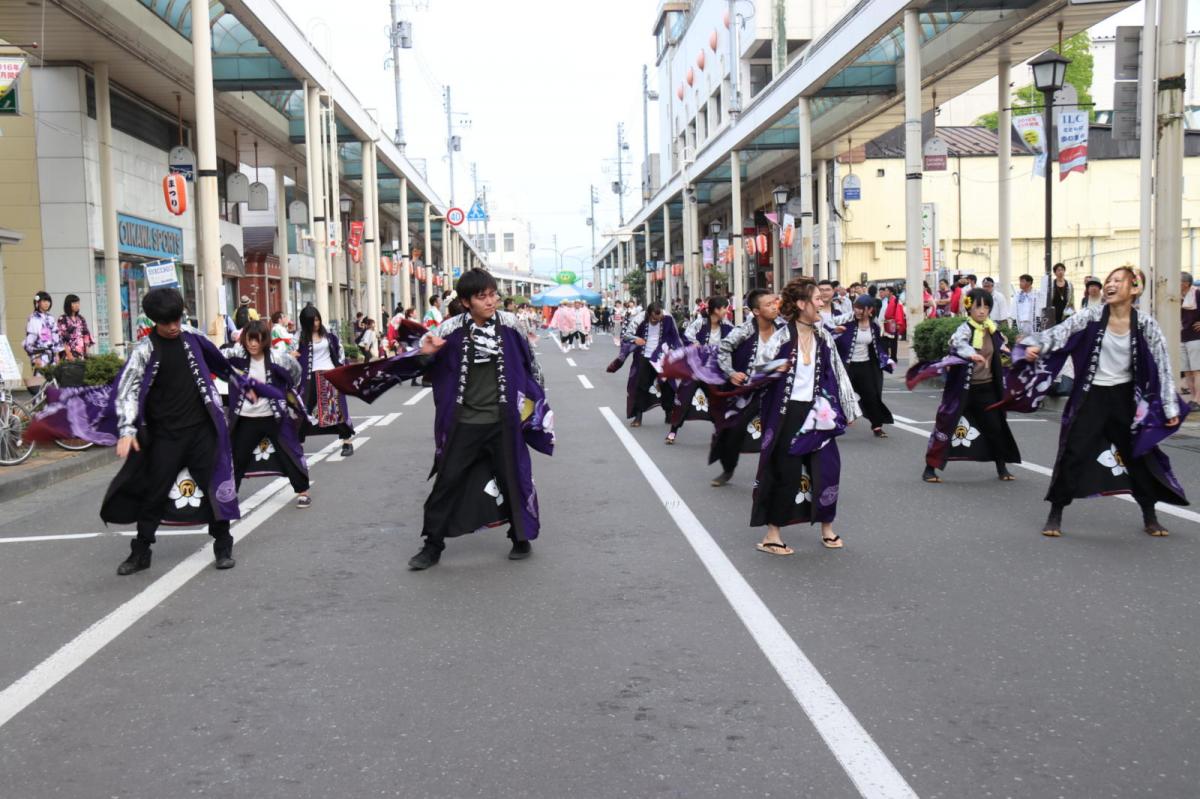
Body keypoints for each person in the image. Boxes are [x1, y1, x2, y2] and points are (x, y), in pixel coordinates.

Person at [323, 268, 554, 570]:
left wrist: (536, 410)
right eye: (482, 296)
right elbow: (417, 365)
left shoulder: (510, 326)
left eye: (493, 294)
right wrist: (424, 353)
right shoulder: (450, 330)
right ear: (467, 301)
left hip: (503, 422)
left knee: (513, 479)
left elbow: (531, 366)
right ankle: (432, 545)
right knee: (447, 483)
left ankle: (520, 537)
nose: (490, 301)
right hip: (464, 423)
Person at [1014, 266, 1187, 537]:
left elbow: (1163, 365)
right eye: (1109, 280)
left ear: (1134, 289)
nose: (1110, 284)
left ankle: (1149, 515)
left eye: (1118, 281)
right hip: (1091, 396)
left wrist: (1169, 406)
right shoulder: (1091, 315)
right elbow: (1060, 332)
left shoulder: (1146, 325)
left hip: (1125, 398)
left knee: (1138, 455)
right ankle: (1056, 513)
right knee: (1073, 452)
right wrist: (1033, 346)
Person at [108, 288, 246, 574]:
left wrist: (243, 383)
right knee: (154, 493)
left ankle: (222, 545)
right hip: (164, 435)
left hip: (200, 431)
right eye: (166, 322)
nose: (173, 327)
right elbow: (127, 391)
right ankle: (141, 551)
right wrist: (126, 429)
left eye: (176, 320)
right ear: (154, 321)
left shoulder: (193, 339)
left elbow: (222, 365)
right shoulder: (145, 350)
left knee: (213, 487)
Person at [748, 277, 860, 555]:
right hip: (788, 413)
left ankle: (827, 526)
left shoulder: (823, 335)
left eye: (823, 298)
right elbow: (757, 373)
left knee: (828, 468)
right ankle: (773, 534)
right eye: (817, 299)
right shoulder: (782, 337)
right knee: (785, 472)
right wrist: (778, 366)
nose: (822, 302)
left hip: (818, 412)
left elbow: (838, 371)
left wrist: (849, 407)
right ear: (802, 304)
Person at [911, 288, 1020, 483]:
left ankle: (1001, 467)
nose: (982, 311)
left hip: (987, 388)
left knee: (996, 427)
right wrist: (971, 354)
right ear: (969, 308)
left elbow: (1004, 349)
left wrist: (1017, 352)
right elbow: (957, 343)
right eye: (978, 306)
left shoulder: (993, 330)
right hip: (963, 389)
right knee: (947, 425)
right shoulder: (965, 329)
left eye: (986, 307)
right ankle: (930, 468)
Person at [223, 320, 311, 509]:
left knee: (290, 451)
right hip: (245, 417)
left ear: (265, 340)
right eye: (249, 339)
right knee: (237, 457)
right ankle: (229, 497)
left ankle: (303, 490)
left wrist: (285, 395)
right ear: (244, 339)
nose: (253, 344)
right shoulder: (234, 354)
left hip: (274, 416)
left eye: (258, 340)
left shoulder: (279, 358)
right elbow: (214, 359)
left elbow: (296, 374)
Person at [709, 289, 783, 486]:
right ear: (757, 311)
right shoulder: (744, 330)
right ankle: (728, 469)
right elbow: (723, 349)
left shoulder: (784, 328)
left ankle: (778, 475)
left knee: (781, 431)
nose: (775, 306)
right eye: (768, 305)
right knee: (733, 430)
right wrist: (731, 372)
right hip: (749, 389)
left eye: (775, 302)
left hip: (777, 388)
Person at [668, 297, 733, 445]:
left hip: (713, 372)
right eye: (725, 308)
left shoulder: (728, 326)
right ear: (716, 310)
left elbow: (735, 342)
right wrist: (693, 344)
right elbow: (686, 336)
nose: (727, 311)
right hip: (695, 370)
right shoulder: (700, 323)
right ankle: (673, 430)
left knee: (717, 402)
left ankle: (720, 433)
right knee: (683, 398)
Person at [610, 301, 683, 428]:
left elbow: (675, 336)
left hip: (662, 357)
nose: (656, 321)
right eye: (654, 318)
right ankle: (638, 416)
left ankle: (669, 413)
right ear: (648, 314)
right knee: (641, 386)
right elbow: (626, 335)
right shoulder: (639, 318)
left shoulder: (668, 318)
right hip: (644, 356)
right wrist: (635, 339)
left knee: (667, 386)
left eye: (659, 318)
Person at [297, 306, 355, 457]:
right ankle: (298, 444)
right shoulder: (300, 338)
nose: (315, 323)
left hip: (330, 374)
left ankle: (347, 442)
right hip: (309, 378)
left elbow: (339, 353)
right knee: (304, 410)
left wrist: (342, 370)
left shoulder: (329, 336)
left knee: (337, 409)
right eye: (312, 321)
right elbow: (291, 357)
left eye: (317, 319)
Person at [836, 295, 894, 437]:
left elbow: (877, 347)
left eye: (861, 308)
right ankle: (834, 425)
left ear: (870, 310)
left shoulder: (874, 326)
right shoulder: (846, 323)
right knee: (841, 396)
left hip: (866, 366)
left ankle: (877, 426)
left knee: (871, 396)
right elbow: (832, 338)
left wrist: (886, 360)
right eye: (855, 307)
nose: (857, 311)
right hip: (847, 367)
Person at [24, 291, 61, 379]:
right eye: (44, 301)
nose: (47, 303)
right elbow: (30, 340)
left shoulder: (50, 318)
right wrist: (35, 357)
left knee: (53, 381)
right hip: (40, 354)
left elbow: (55, 337)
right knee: (41, 380)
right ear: (38, 302)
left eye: (48, 301)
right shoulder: (33, 318)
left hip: (51, 353)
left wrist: (57, 354)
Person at [57, 294, 94, 362]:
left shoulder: (81, 318)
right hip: (68, 354)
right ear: (68, 304)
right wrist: (68, 354)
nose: (77, 305)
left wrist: (87, 352)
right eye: (74, 303)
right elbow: (62, 338)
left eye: (78, 303)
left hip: (81, 353)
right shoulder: (62, 319)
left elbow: (86, 335)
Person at [1182, 272, 1200, 410]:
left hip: (1195, 336)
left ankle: (1197, 400)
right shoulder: (1175, 298)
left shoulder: (1197, 294)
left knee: (1196, 370)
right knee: (1187, 371)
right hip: (1181, 336)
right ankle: (1193, 399)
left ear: (1186, 283)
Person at [877, 285, 905, 362]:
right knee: (885, 340)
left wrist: (898, 323)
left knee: (893, 342)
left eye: (886, 291)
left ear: (891, 292)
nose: (885, 292)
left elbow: (899, 312)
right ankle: (886, 357)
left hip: (893, 323)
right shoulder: (887, 300)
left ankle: (893, 357)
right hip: (886, 323)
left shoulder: (896, 301)